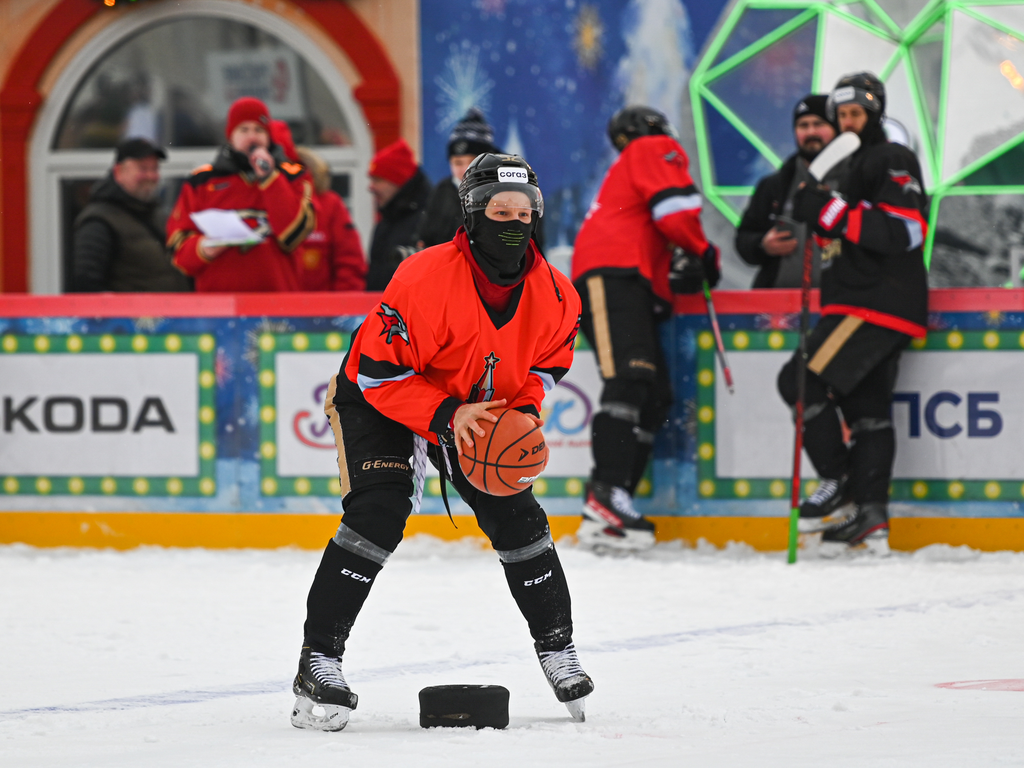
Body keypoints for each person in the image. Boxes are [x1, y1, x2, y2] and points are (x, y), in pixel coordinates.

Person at [290, 153, 593, 731]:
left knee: (520, 517)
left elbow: (550, 364)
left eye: (523, 212)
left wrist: (522, 411)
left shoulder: (558, 293)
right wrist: (449, 414)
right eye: (499, 211)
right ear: (473, 215)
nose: (512, 223)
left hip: (478, 408)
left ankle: (558, 648)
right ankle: (319, 659)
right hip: (382, 395)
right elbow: (379, 374)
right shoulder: (423, 277)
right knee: (378, 510)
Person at [780, 72, 929, 555]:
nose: (846, 122)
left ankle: (838, 479)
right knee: (869, 414)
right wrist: (819, 207)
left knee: (799, 380)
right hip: (869, 302)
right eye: (840, 114)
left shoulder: (890, 157)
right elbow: (839, 222)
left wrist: (827, 208)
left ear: (875, 113)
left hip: (874, 302)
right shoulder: (852, 164)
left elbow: (907, 230)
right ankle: (870, 515)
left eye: (855, 114)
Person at [570, 106, 719, 552]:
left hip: (623, 275)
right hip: (615, 274)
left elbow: (650, 223)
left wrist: (677, 266)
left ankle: (612, 502)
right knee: (630, 381)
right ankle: (606, 498)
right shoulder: (655, 147)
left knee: (654, 398)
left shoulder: (626, 164)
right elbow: (676, 211)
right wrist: (703, 251)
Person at [167, 97, 315, 292]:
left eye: (259, 130)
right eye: (243, 130)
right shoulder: (202, 181)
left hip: (277, 307)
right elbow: (177, 250)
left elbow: (293, 236)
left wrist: (270, 178)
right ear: (231, 136)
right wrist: (205, 248)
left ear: (269, 136)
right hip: (219, 309)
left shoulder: (294, 175)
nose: (252, 137)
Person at [735, 95, 839, 288]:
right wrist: (762, 244)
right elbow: (743, 238)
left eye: (819, 123)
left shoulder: (856, 180)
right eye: (803, 125)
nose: (811, 132)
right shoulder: (775, 185)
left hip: (844, 307)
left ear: (837, 129)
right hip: (777, 308)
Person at [72, 137, 190, 292]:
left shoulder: (158, 215)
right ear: (119, 172)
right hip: (133, 316)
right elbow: (87, 283)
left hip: (171, 314)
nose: (151, 176)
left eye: (154, 169)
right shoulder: (98, 221)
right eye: (143, 169)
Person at [417, 107, 499, 249]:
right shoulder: (442, 190)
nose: (464, 169)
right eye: (457, 163)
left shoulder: (505, 190)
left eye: (471, 162)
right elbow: (425, 237)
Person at [294, 146, 367, 291]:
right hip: (274, 307)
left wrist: (343, 305)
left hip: (323, 308)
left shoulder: (330, 205)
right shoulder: (267, 203)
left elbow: (349, 261)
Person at [365, 139, 432, 290]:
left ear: (398, 180)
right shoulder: (386, 221)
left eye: (378, 180)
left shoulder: (427, 220)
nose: (371, 187)